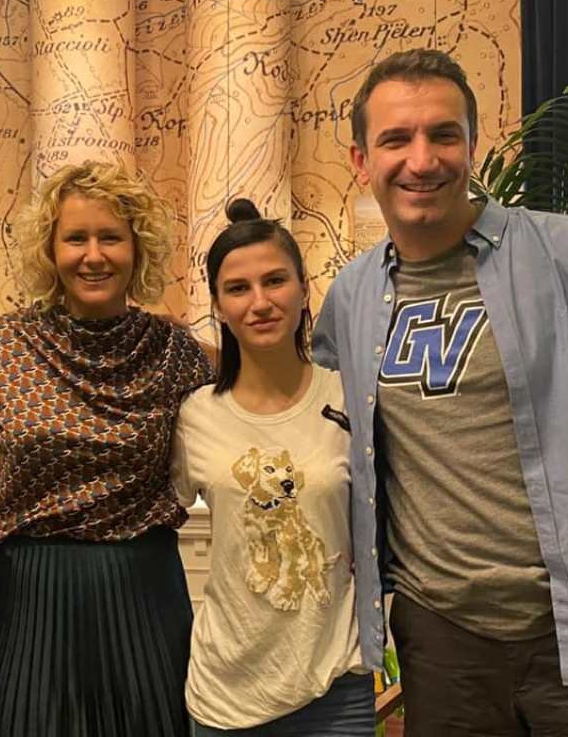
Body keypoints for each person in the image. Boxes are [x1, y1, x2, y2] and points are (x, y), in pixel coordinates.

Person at [313, 47, 568, 736]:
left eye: (443, 135)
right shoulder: (350, 298)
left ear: (472, 145)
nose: (423, 160)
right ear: (361, 160)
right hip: (443, 646)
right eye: (396, 139)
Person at [0, 160, 214, 737]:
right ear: (50, 250)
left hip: (142, 590)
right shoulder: (3, 346)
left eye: (111, 238)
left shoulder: (176, 353)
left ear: (137, 248)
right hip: (28, 594)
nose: (93, 256)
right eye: (76, 238)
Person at [170, 199, 379, 736]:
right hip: (225, 691)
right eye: (238, 288)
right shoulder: (195, 416)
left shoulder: (351, 398)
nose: (260, 302)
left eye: (275, 281)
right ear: (218, 305)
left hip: (333, 683)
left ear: (304, 288)